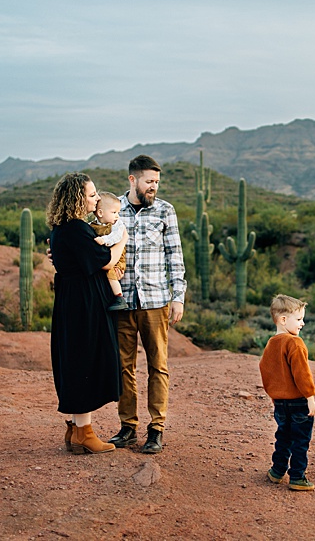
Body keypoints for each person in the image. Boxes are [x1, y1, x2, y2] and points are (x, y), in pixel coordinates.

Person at [109, 155, 185, 454]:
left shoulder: (166, 211)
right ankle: (127, 427)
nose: (153, 187)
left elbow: (174, 256)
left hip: (155, 301)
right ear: (132, 180)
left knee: (158, 366)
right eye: (149, 181)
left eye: (156, 182)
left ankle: (156, 429)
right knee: (123, 367)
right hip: (121, 301)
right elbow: (92, 242)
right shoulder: (112, 210)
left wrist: (177, 297)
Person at [46, 171, 124, 455]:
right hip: (83, 303)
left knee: (79, 359)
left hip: (74, 299)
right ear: (77, 198)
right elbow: (104, 261)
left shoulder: (64, 228)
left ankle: (79, 430)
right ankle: (84, 433)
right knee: (85, 359)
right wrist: (121, 241)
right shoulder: (75, 228)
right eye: (91, 195)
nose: (95, 199)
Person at [259, 294, 315, 491]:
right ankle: (297, 477)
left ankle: (277, 471)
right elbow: (302, 374)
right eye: (299, 319)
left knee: (283, 437)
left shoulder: (271, 344)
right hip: (299, 402)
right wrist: (310, 398)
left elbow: (265, 371)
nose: (303, 323)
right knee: (300, 441)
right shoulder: (294, 343)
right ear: (284, 320)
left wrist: (275, 395)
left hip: (280, 403)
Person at [88, 192, 129, 311]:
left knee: (111, 274)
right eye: (114, 212)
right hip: (106, 256)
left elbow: (117, 237)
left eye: (118, 212)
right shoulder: (92, 225)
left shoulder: (117, 225)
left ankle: (119, 296)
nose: (117, 216)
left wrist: (104, 240)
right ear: (100, 213)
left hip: (117, 258)